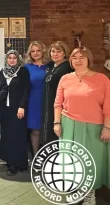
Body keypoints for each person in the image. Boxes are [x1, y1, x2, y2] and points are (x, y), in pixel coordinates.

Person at [54, 47, 110, 205]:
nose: (78, 60)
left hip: (93, 127)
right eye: (75, 57)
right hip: (68, 125)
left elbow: (108, 106)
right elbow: (58, 103)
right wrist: (57, 123)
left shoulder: (101, 79)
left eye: (82, 57)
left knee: (90, 162)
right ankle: (78, 191)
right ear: (71, 60)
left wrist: (107, 127)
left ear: (88, 60)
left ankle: (89, 194)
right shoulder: (65, 78)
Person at [0, 50, 30, 176]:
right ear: (6, 59)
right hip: (5, 109)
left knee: (17, 136)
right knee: (6, 135)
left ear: (18, 59)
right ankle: (8, 160)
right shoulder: (3, 72)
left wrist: (22, 106)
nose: (11, 60)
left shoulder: (22, 71)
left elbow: (26, 90)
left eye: (14, 58)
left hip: (17, 109)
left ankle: (17, 164)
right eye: (9, 58)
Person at [41, 41, 73, 144]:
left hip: (59, 106)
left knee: (57, 134)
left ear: (64, 53)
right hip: (49, 104)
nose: (55, 54)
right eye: (53, 51)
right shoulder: (53, 67)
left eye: (58, 51)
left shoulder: (66, 67)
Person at [24, 41, 50, 156]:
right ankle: (36, 158)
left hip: (49, 101)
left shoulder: (51, 66)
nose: (35, 53)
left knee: (48, 130)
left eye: (38, 50)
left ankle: (48, 158)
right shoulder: (26, 68)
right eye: (33, 51)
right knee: (35, 130)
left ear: (43, 51)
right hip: (33, 101)